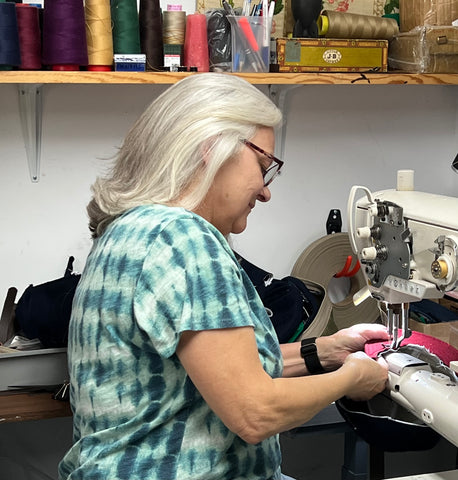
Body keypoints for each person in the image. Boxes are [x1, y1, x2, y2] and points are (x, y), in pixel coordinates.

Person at [58, 73, 389, 480]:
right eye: (263, 166)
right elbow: (255, 411)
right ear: (211, 148)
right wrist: (353, 377)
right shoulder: (183, 238)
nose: (266, 192)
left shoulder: (129, 231)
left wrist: (323, 352)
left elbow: (221, 369)